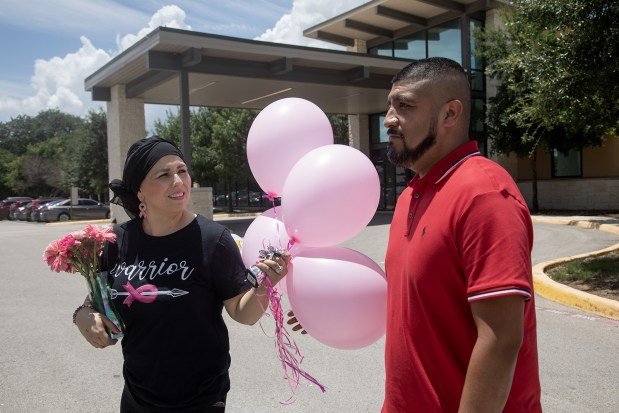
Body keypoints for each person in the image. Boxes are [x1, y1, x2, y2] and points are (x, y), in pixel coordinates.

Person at [73, 137, 289, 412]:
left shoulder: (213, 239)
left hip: (199, 399)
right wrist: (82, 315)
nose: (178, 181)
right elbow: (97, 297)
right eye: (164, 174)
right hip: (136, 396)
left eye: (182, 171)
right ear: (140, 190)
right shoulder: (117, 240)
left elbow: (241, 312)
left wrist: (264, 284)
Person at [382, 58, 541, 412]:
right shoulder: (413, 193)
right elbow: (419, 298)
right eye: (389, 106)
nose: (389, 119)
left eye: (404, 106)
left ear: (450, 114)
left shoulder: (484, 195)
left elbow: (500, 340)